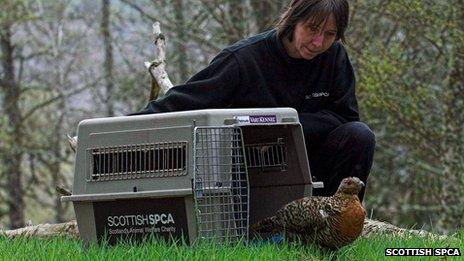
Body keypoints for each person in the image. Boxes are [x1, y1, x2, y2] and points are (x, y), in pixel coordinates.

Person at [131, 0, 375, 201]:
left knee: (360, 136)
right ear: (293, 18)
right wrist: (123, 128)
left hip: (312, 162)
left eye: (330, 34)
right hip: (252, 169)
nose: (319, 42)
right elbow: (185, 100)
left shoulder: (334, 57)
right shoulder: (243, 60)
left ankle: (336, 223)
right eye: (312, 29)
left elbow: (346, 116)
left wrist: (286, 126)